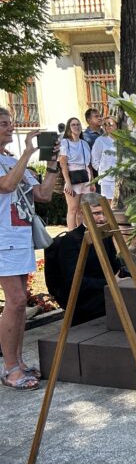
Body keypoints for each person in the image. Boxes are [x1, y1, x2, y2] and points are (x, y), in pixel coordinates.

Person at [0, 109, 60, 390]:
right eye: (3, 124)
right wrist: (27, 152)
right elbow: (6, 185)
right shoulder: (16, 162)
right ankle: (10, 368)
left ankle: (18, 362)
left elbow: (43, 194)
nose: (10, 128)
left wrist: (51, 164)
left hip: (21, 236)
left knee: (21, 302)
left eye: (10, 123)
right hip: (3, 240)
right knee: (14, 300)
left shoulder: (12, 161)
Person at [43, 194, 119, 325]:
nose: (102, 218)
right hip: (85, 300)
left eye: (104, 213)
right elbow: (73, 281)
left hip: (104, 293)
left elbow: (115, 266)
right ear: (83, 212)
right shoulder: (71, 241)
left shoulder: (105, 235)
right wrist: (110, 283)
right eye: (96, 213)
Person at [59, 117, 93, 230]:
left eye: (78, 124)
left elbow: (88, 164)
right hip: (73, 177)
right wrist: (67, 182)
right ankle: (72, 235)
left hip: (86, 177)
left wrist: (92, 181)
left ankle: (81, 233)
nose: (76, 126)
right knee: (73, 209)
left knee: (83, 210)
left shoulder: (85, 143)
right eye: (73, 124)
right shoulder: (65, 143)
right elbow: (63, 164)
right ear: (69, 128)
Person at [91, 117, 118, 202]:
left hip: (121, 178)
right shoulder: (100, 140)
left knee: (121, 204)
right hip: (106, 179)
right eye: (105, 124)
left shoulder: (123, 140)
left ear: (116, 125)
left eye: (110, 124)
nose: (107, 126)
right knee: (108, 204)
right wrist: (102, 170)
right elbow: (94, 159)